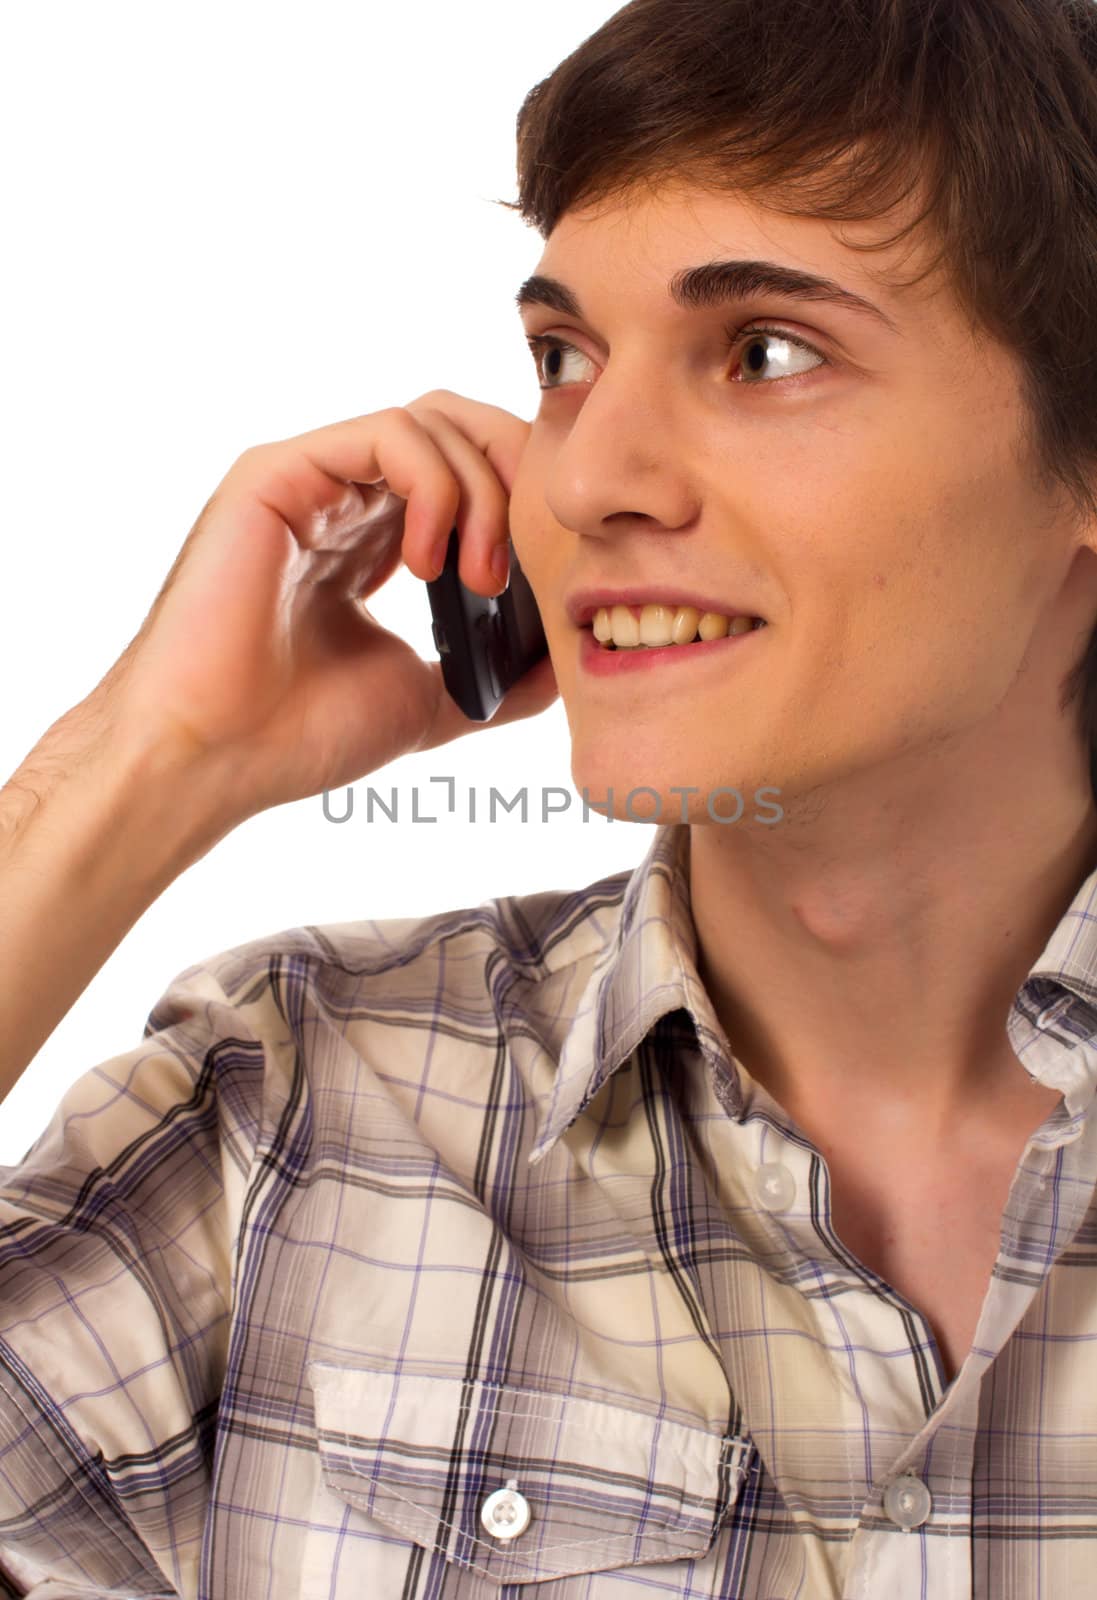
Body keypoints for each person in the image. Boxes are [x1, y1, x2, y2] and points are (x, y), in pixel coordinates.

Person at [3, 0, 1097, 1594]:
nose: (579, 481)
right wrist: (135, 769)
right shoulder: (295, 1112)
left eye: (765, 352)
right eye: (563, 360)